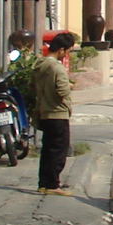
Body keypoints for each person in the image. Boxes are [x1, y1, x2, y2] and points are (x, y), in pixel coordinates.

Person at [33, 32, 75, 196]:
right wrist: (70, 87)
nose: (67, 54)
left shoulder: (39, 65)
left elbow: (32, 86)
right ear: (61, 50)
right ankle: (52, 184)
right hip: (58, 113)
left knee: (47, 150)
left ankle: (43, 183)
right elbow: (62, 90)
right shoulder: (56, 67)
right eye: (67, 51)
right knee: (58, 150)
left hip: (44, 112)